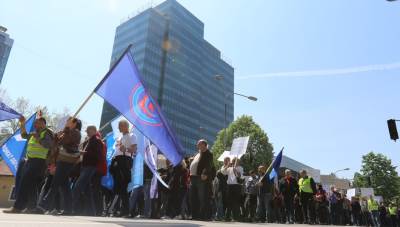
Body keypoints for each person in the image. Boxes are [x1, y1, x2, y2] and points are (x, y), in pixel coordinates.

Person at [4, 116, 53, 214]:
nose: (35, 125)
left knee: (24, 183)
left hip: (38, 162)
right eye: (34, 123)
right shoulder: (36, 133)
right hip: (31, 161)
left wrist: (38, 138)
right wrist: (22, 124)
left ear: (43, 123)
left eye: (37, 123)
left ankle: (18, 207)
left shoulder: (46, 133)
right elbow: (24, 135)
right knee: (31, 185)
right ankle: (33, 207)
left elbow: (48, 145)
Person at [38, 117, 82, 215]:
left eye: (68, 121)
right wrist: (56, 137)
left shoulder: (76, 132)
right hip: (62, 159)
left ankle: (43, 205)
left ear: (74, 123)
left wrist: (65, 131)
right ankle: (68, 209)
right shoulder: (67, 131)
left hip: (67, 160)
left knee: (55, 183)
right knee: (65, 187)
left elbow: (67, 141)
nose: (66, 122)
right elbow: (56, 144)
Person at [72, 125, 103, 215]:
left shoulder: (96, 141)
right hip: (85, 166)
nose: (87, 132)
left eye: (88, 130)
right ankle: (91, 211)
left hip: (90, 166)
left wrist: (84, 153)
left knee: (78, 186)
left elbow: (98, 155)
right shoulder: (89, 141)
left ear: (93, 130)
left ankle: (68, 206)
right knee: (87, 190)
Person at [108, 120, 137, 217]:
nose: (119, 128)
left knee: (122, 187)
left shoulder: (132, 136)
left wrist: (126, 149)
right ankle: (116, 210)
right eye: (119, 126)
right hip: (117, 161)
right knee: (117, 187)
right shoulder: (119, 138)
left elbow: (134, 149)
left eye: (120, 126)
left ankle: (126, 211)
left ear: (126, 126)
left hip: (124, 162)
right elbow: (117, 150)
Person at [189, 139, 216, 221]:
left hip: (201, 178)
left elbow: (209, 164)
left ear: (204, 145)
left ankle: (204, 216)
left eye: (199, 144)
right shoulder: (197, 154)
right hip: (193, 177)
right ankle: (194, 215)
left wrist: (205, 173)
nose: (197, 145)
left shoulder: (208, 154)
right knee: (193, 198)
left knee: (203, 198)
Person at [221, 157, 244, 221]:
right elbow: (223, 172)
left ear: (238, 162)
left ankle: (236, 217)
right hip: (229, 186)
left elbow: (240, 176)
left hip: (237, 186)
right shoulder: (229, 168)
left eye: (236, 161)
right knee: (228, 202)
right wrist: (227, 165)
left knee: (236, 202)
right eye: (233, 161)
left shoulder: (240, 168)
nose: (234, 162)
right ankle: (227, 217)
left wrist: (235, 170)